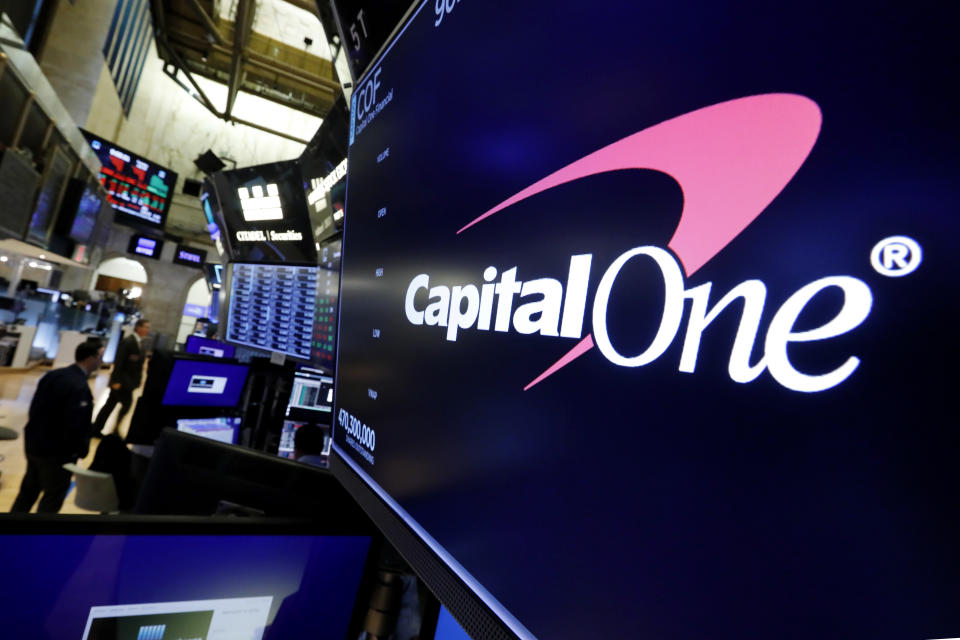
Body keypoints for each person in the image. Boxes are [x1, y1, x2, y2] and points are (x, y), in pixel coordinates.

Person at [11, 338, 104, 513]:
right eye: (100, 356)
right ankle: (38, 539)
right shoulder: (79, 387)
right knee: (52, 498)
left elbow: (34, 409)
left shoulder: (53, 375)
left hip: (34, 445)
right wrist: (80, 451)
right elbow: (76, 425)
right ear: (90, 358)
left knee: (27, 493)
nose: (101, 361)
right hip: (57, 454)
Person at [92, 318, 150, 437]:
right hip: (123, 382)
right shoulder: (128, 342)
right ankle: (111, 430)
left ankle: (98, 429)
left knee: (111, 405)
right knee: (123, 405)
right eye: (146, 327)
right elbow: (119, 362)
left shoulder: (140, 343)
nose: (147, 330)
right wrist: (116, 380)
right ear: (138, 327)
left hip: (129, 382)